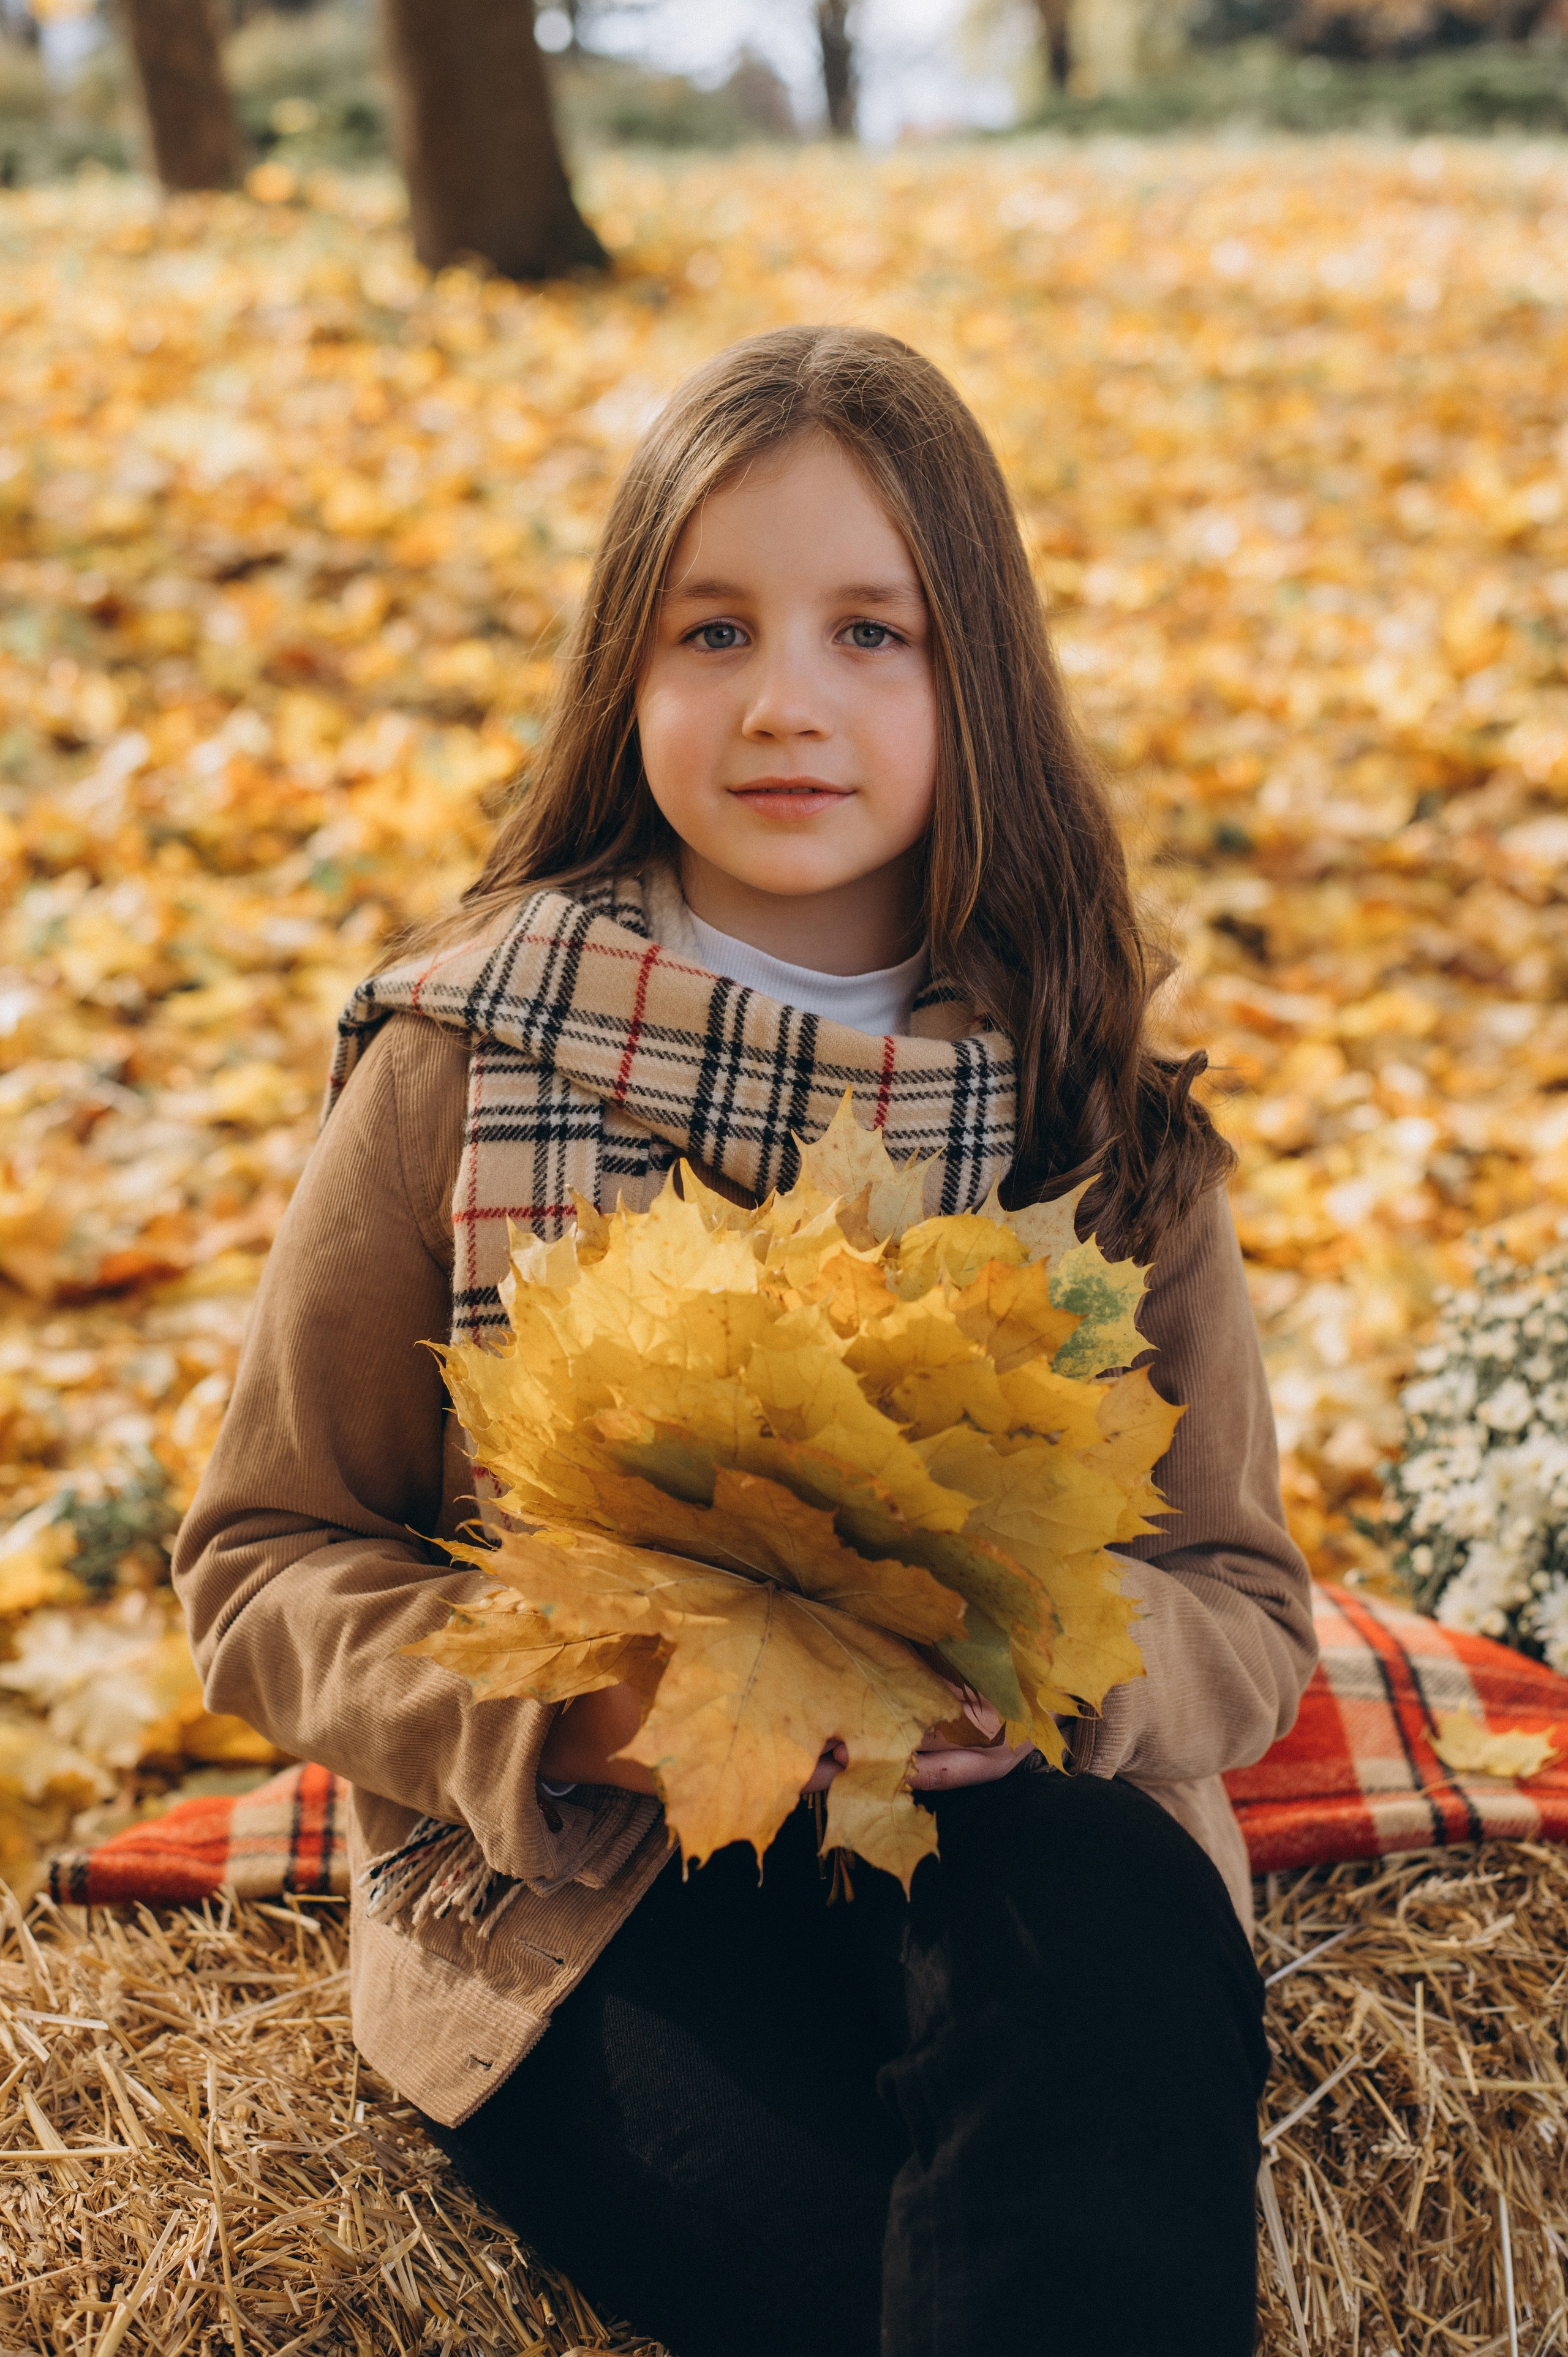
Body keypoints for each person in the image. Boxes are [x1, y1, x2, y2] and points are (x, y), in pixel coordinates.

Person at [175, 326, 1316, 2357]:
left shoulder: (1086, 1100)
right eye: (714, 630)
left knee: (1109, 1954)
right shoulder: (469, 1055)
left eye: (873, 632)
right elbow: (266, 1561)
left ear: (982, 676)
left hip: (1018, 1845)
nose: (787, 702)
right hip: (593, 1890)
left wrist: (1060, 1692)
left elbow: (1235, 1594)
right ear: (627, 672)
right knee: (886, 2282)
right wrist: (573, 1716)